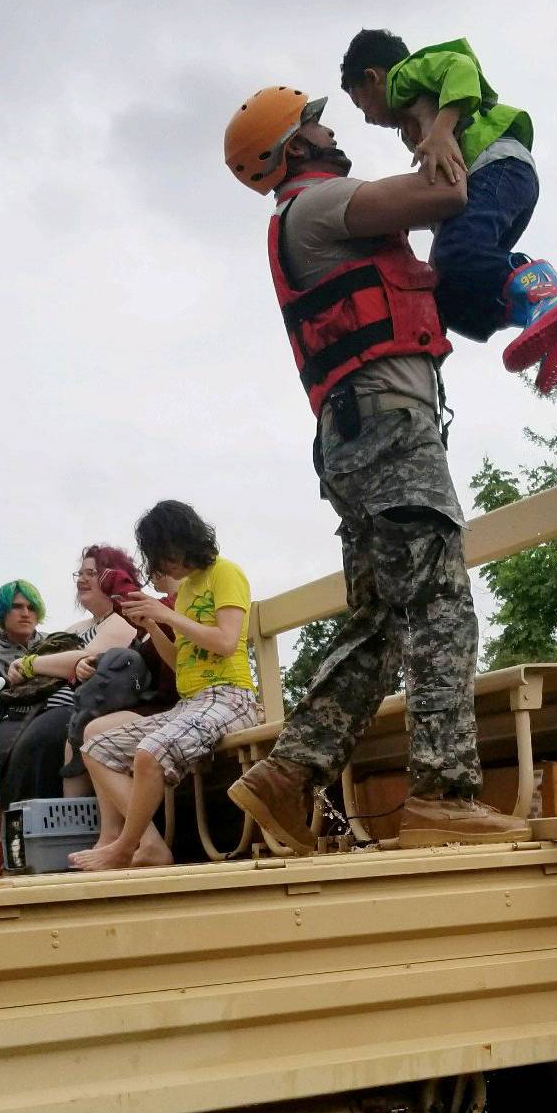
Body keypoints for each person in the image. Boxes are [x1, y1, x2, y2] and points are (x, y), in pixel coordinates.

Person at [220, 85, 528, 852]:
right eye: (319, 122)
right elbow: (448, 191)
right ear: (296, 148)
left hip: (357, 436)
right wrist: (440, 126)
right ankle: (443, 795)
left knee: (383, 623)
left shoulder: (305, 216)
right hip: (389, 433)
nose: (337, 130)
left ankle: (289, 776)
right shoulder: (318, 206)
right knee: (439, 604)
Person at [339, 29, 557, 394]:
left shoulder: (407, 74)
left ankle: (545, 294)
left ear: (374, 77)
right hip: (501, 183)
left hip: (498, 166)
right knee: (449, 290)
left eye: (363, 106)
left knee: (457, 253)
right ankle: (540, 319)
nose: (367, 119)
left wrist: (440, 129)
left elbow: (461, 66)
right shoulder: (412, 116)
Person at [69, 502, 263, 872]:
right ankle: (149, 846)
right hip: (192, 702)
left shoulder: (226, 573)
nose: (163, 564)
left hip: (231, 697)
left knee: (151, 751)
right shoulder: (187, 590)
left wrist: (166, 614)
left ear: (183, 539)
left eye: (164, 552)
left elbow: (225, 641)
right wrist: (154, 626)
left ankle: (124, 846)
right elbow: (179, 664)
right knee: (96, 746)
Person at [0, 546, 141, 811]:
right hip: (40, 710)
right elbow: (52, 661)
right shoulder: (76, 628)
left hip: (78, 711)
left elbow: (83, 660)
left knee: (39, 741)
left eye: (92, 573)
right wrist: (19, 671)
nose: (81, 579)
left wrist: (30, 664)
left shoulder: (121, 622)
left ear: (114, 578)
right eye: (80, 573)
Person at [0, 579, 44, 679]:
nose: (25, 614)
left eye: (31, 608)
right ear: (2, 613)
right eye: (17, 607)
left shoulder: (60, 644)